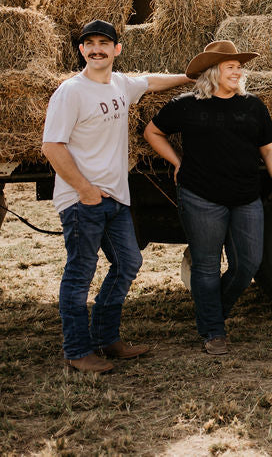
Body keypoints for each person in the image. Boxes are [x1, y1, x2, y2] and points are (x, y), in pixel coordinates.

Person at [42, 19, 192, 373]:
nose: (96, 49)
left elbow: (151, 82)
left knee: (128, 263)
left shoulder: (120, 84)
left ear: (116, 49)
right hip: (83, 201)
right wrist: (84, 190)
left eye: (103, 43)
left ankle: (107, 339)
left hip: (116, 199)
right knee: (80, 274)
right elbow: (51, 146)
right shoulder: (71, 92)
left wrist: (189, 78)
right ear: (81, 50)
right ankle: (78, 351)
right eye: (89, 43)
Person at [143, 40, 272, 356]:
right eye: (231, 66)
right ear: (213, 71)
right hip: (200, 197)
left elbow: (268, 149)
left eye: (240, 67)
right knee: (207, 266)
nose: (238, 71)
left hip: (245, 197)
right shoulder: (186, 106)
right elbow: (152, 132)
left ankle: (210, 313)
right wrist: (177, 161)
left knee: (248, 264)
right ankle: (214, 330)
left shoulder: (253, 106)